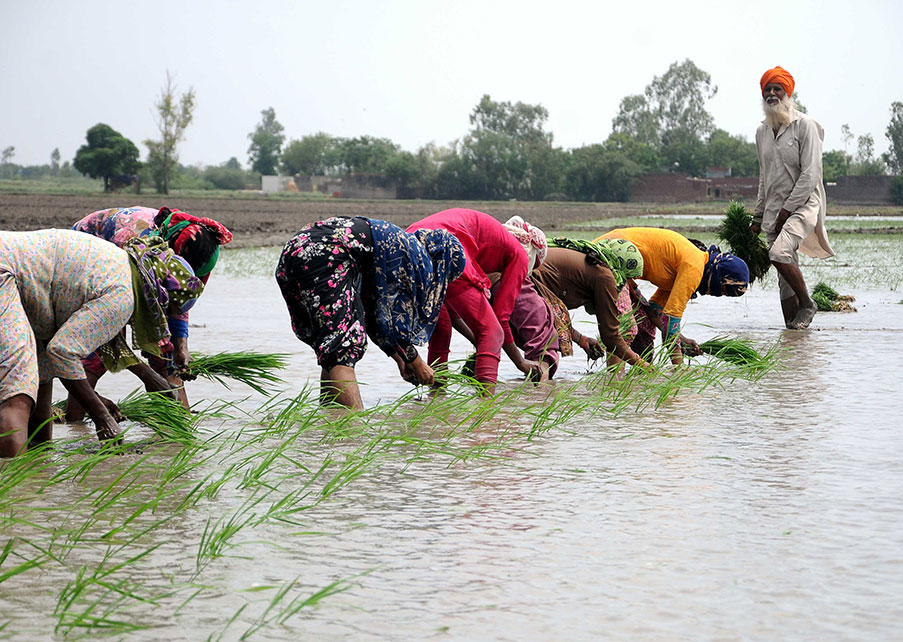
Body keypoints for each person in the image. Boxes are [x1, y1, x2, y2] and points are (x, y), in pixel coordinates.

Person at [0, 230, 204, 457]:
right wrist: (101, 417)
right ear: (160, 296)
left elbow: (93, 342)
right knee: (17, 397)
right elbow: (62, 352)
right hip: (6, 274)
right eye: (167, 311)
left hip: (28, 288)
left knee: (40, 388)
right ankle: (15, 489)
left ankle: (39, 473)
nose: (164, 320)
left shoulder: (126, 268)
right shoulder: (123, 295)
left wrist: (148, 377)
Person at [275, 216, 465, 410]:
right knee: (344, 348)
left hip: (296, 250)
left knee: (333, 346)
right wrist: (417, 363)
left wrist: (400, 358)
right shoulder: (414, 257)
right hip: (325, 255)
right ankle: (354, 430)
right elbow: (395, 322)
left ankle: (330, 422)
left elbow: (373, 317)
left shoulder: (397, 244)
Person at [69, 206, 233, 415]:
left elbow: (180, 297)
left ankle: (178, 428)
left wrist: (181, 346)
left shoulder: (191, 254)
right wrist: (147, 373)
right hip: (86, 263)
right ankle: (75, 422)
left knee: (166, 359)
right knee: (96, 357)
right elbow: (117, 337)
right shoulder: (137, 246)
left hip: (136, 275)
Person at [406, 209, 539, 395]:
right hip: (445, 245)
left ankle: (436, 397)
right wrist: (520, 362)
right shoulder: (520, 254)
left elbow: (453, 310)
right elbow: (499, 320)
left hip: (409, 242)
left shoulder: (492, 238)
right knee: (492, 331)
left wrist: (478, 340)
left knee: (441, 326)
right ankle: (485, 410)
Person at [752, 66, 835, 329]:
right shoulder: (762, 131)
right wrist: (757, 218)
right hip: (774, 209)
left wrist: (787, 210)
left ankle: (808, 303)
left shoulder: (805, 126)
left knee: (778, 253)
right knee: (783, 277)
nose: (772, 93)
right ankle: (794, 332)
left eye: (778, 88)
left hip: (803, 205)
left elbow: (810, 175)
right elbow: (765, 178)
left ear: (788, 93)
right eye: (768, 89)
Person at [598, 227, 749, 365]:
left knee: (644, 324)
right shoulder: (694, 268)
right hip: (609, 255)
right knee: (626, 327)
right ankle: (614, 382)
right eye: (721, 290)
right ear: (719, 275)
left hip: (620, 266)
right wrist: (679, 369)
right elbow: (671, 321)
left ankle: (638, 377)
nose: (715, 294)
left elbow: (655, 311)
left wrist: (681, 339)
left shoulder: (687, 266)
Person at [531, 242, 652, 371]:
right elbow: (611, 338)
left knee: (539, 349)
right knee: (545, 352)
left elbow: (552, 315)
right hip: (527, 282)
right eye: (628, 277)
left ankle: (531, 387)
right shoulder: (605, 276)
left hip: (523, 279)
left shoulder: (587, 263)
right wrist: (644, 366)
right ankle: (540, 389)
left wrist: (581, 340)